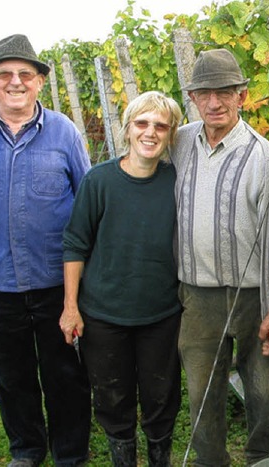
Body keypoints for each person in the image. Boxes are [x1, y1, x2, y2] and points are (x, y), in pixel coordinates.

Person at [0, 34, 91, 467]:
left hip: (56, 281)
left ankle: (70, 453)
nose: (15, 82)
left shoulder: (63, 132)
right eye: (5, 75)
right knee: (10, 376)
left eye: (25, 75)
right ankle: (28, 450)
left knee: (65, 374)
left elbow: (86, 200)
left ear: (39, 82)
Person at [170, 48, 269, 466]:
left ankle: (264, 459)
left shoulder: (265, 158)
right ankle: (211, 461)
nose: (214, 103)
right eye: (204, 93)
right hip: (197, 296)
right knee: (201, 392)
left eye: (225, 92)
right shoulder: (179, 143)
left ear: (242, 96)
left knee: (263, 392)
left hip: (255, 297)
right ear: (192, 97)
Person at [59, 91, 183, 467]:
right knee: (113, 397)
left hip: (161, 313)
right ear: (127, 129)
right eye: (141, 123)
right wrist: (70, 307)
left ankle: (159, 458)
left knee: (162, 398)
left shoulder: (177, 182)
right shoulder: (99, 181)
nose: (150, 132)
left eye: (160, 126)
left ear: (171, 134)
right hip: (104, 314)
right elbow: (75, 243)